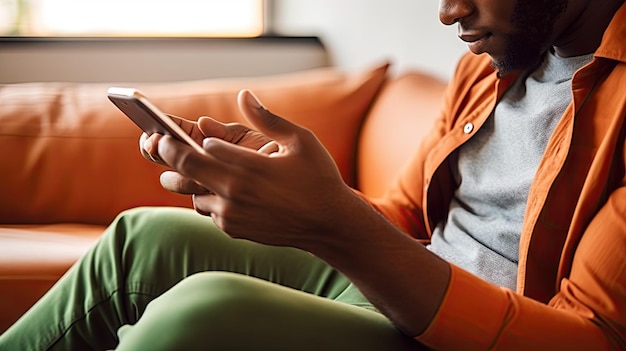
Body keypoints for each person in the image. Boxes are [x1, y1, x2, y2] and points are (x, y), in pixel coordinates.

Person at [2, 0, 625, 349]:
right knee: (140, 238)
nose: (448, 11)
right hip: (401, 283)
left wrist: (334, 226)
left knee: (199, 313)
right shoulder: (491, 67)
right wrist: (296, 191)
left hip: (475, 334)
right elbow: (405, 220)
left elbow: (588, 341)